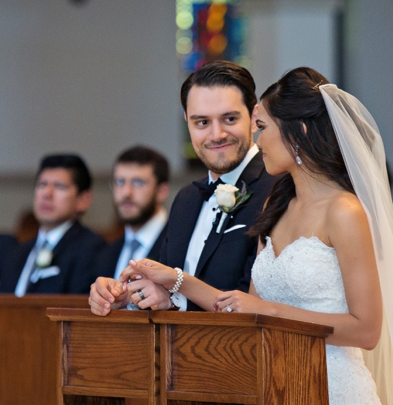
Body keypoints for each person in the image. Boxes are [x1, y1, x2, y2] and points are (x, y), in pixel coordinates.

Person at [121, 67, 393, 405]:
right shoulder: (277, 206)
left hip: (336, 396)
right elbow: (242, 307)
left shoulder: (345, 211)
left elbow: (366, 330)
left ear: (300, 132)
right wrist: (174, 279)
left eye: (263, 127)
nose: (258, 138)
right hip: (279, 393)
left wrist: (269, 311)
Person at [89, 60, 276, 314]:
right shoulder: (186, 198)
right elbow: (162, 290)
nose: (216, 134)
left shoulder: (277, 190)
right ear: (187, 121)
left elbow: (259, 303)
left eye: (229, 119)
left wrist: (176, 300)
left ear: (254, 118)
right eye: (202, 122)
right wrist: (128, 296)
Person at [1, 154, 105, 295]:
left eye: (59, 186)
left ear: (83, 200)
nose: (47, 193)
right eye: (42, 185)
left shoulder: (92, 250)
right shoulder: (16, 253)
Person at [91, 146, 169, 282]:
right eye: (120, 182)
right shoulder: (106, 253)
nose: (126, 192)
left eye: (138, 182)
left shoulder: (179, 246)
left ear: (162, 191)